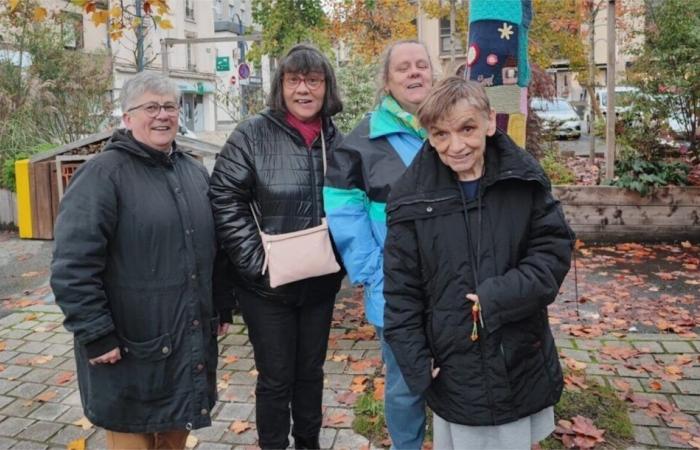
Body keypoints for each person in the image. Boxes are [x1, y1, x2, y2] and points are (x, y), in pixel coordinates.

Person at [383, 76, 574, 450]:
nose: (456, 146)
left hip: (516, 351)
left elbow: (552, 251)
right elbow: (400, 290)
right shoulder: (409, 198)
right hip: (454, 362)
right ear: (429, 136)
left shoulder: (524, 179)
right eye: (440, 134)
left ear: (488, 122)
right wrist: (414, 359)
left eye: (467, 128)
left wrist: (497, 297)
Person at [50, 71, 232, 450]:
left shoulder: (193, 171)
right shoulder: (101, 176)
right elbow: (72, 267)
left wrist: (221, 308)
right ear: (127, 117)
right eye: (151, 107)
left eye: (170, 107)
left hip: (185, 345)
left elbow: (213, 251)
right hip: (128, 352)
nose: (162, 115)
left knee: (173, 441)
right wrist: (96, 335)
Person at [208, 44, 344, 450]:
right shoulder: (251, 134)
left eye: (313, 81)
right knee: (275, 377)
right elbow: (223, 197)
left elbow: (351, 203)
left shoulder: (336, 139)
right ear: (280, 86)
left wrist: (343, 258)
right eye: (294, 80)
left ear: (326, 87)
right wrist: (255, 261)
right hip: (266, 288)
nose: (304, 90)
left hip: (320, 282)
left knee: (311, 373)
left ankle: (309, 442)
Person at [324, 40, 433, 449]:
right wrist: (373, 269)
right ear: (386, 80)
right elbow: (343, 211)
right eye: (403, 67)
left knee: (459, 378)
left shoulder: (449, 127)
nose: (414, 73)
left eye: (422, 65)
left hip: (455, 289)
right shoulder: (361, 141)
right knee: (405, 385)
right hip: (395, 291)